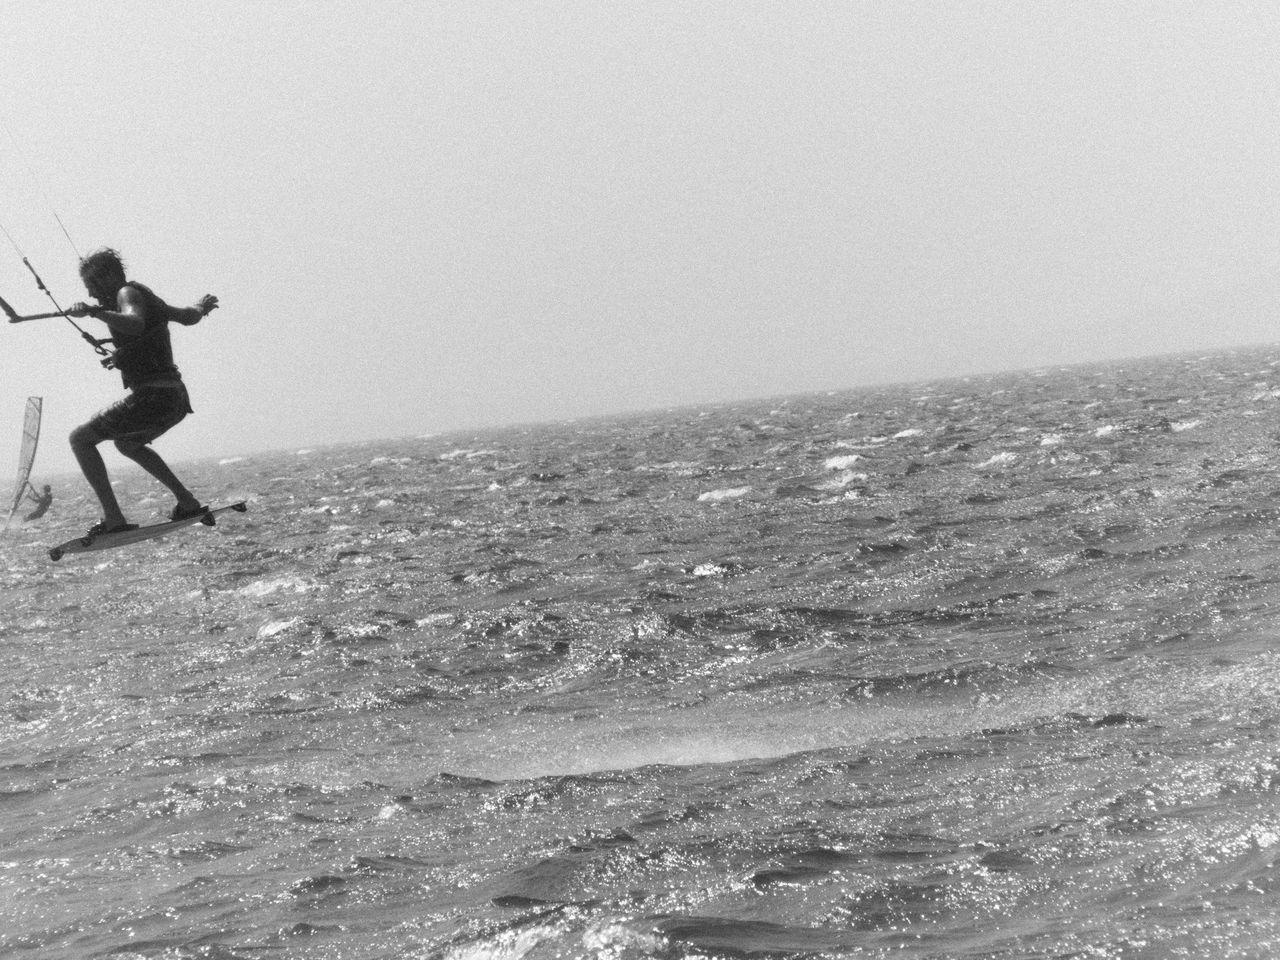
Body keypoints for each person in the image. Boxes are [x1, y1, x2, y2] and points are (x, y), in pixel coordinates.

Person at [67, 247, 219, 536]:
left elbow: (135, 324)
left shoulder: (127, 294)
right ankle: (186, 501)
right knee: (127, 444)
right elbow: (187, 317)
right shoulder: (144, 296)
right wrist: (201, 307)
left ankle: (113, 519)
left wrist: (96, 313)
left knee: (80, 439)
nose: (93, 295)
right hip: (173, 397)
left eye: (94, 287)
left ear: (111, 276)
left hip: (154, 397)